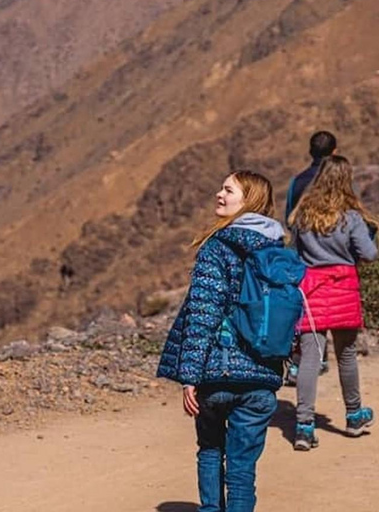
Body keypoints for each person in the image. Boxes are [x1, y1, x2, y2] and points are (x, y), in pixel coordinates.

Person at [157, 170, 285, 512]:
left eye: (228, 190)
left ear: (249, 201)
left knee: (212, 449)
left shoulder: (216, 247)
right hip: (263, 374)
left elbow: (203, 314)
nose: (219, 194)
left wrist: (188, 376)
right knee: (243, 466)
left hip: (218, 372)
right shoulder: (277, 250)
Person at [288, 155, 379, 451]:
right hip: (343, 289)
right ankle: (354, 416)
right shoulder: (350, 217)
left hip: (311, 289)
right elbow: (369, 253)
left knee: (310, 358)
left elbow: (295, 252)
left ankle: (304, 425)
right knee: (347, 355)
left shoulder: (303, 216)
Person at [284, 130, 338, 383]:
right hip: (332, 255)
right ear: (334, 152)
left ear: (310, 152)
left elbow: (288, 219)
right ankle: (320, 357)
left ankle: (297, 362)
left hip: (300, 254)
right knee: (327, 307)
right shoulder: (338, 183)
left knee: (301, 309)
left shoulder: (298, 181)